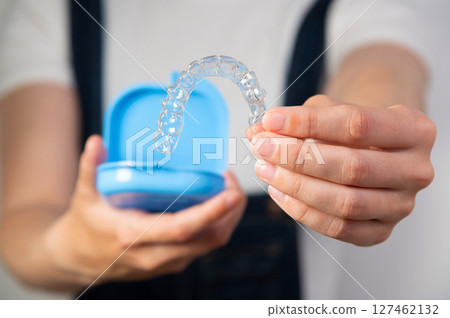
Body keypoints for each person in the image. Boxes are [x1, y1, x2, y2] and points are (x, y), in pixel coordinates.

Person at [0, 0, 436, 299]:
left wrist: (366, 133)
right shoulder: (54, 10)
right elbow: (23, 220)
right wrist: (66, 249)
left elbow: (382, 68)